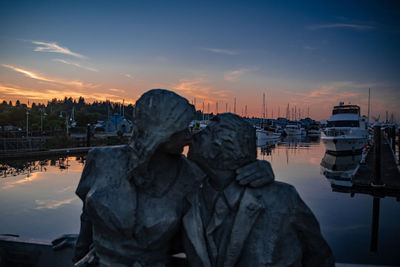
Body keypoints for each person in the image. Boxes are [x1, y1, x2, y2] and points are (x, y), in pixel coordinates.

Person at [73, 89, 272, 266]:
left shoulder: (192, 175)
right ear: (159, 131)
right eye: (182, 130)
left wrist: (256, 168)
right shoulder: (101, 159)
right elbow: (87, 217)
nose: (189, 136)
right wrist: (79, 252)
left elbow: (228, 205)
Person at [183, 113, 335, 267]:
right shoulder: (189, 198)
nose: (194, 137)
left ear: (217, 147)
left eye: (205, 133)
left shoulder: (283, 199)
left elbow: (320, 258)